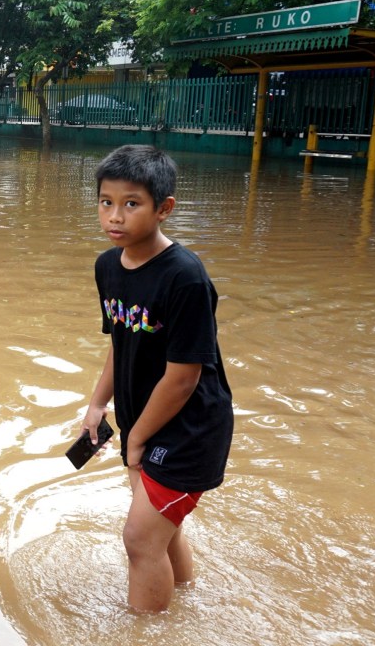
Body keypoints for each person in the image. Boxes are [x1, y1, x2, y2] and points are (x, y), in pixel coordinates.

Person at [78, 145, 234, 613]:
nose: (115, 216)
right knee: (162, 531)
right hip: (144, 422)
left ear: (164, 208)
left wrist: (137, 439)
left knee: (139, 539)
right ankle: (185, 609)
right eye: (106, 202)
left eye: (131, 203)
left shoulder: (185, 278)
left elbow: (184, 378)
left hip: (189, 429)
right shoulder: (108, 266)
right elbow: (119, 341)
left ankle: (145, 634)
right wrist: (96, 405)